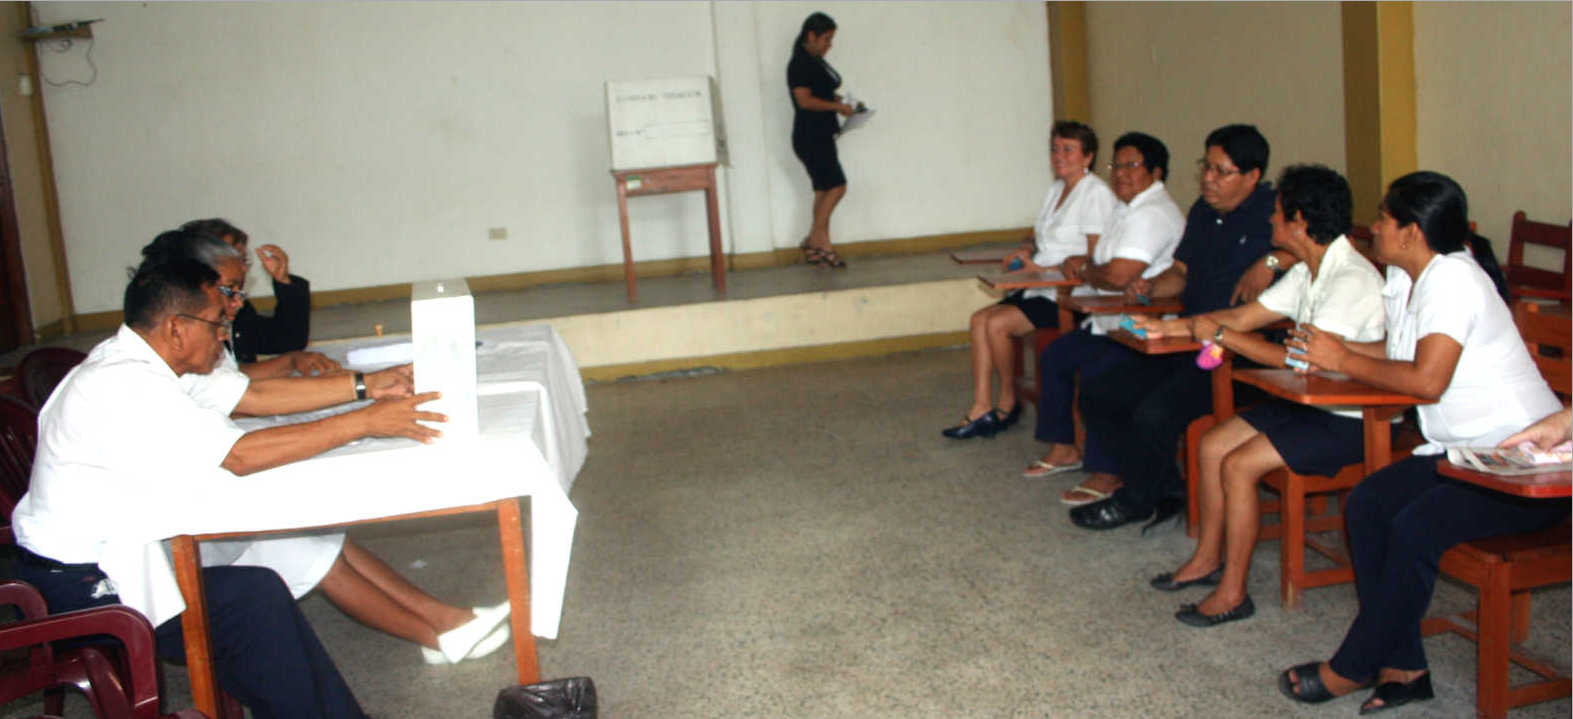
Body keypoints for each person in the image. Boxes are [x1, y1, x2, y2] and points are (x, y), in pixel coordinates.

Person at [132, 228, 512, 666]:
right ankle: (438, 631)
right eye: (229, 293)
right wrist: (364, 416)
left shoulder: (173, 345)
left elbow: (249, 395)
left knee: (313, 533)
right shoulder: (142, 373)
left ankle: (445, 623)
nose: (236, 306)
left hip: (181, 506)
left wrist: (366, 385)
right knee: (295, 542)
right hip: (159, 538)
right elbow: (239, 452)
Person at [1277, 171, 1567, 713]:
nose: (1374, 231)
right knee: (1368, 505)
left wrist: (1343, 360)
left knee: (1413, 528)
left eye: (1383, 220)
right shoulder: (1410, 276)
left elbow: (1427, 380)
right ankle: (1405, 666)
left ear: (1411, 232)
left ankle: (1354, 664)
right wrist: (1339, 349)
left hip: (1524, 464)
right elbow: (1400, 350)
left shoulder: (1454, 280)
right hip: (1467, 455)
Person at [1137, 165, 1385, 627]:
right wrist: (1171, 327)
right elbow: (1245, 316)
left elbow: (1302, 362)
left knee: (1238, 463)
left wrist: (1221, 337)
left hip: (1349, 419)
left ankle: (1233, 593)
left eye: (1276, 214)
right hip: (1307, 402)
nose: (1270, 223)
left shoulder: (1351, 279)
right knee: (1212, 444)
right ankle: (1207, 559)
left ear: (1299, 222)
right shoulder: (1311, 270)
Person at [1068, 124, 1280, 529]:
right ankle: (1163, 487)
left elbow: (1315, 249)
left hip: (1239, 353)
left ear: (1252, 176)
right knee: (1102, 388)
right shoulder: (1203, 211)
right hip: (1189, 339)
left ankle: (1136, 500)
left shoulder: (1275, 214)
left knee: (1155, 410)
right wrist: (1150, 289)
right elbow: (1180, 271)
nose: (1208, 179)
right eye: (1206, 167)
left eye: (1221, 171)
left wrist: (1273, 261)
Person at [1021, 131, 1182, 494]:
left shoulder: (1153, 214)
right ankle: (1065, 448)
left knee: (1098, 375)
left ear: (1156, 173)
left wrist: (1087, 271)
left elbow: (1118, 276)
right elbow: (1104, 263)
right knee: (1057, 356)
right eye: (1117, 165)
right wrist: (1087, 263)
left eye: (1132, 166)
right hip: (1110, 319)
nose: (1121, 173)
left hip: (1141, 326)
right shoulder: (1127, 208)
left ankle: (1108, 471)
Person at [942, 121, 1117, 440]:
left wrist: (1038, 269)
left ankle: (1007, 404)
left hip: (1069, 295)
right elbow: (1046, 239)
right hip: (1039, 285)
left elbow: (1095, 259)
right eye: (1055, 149)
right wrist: (1027, 250)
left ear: (1088, 157)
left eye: (1068, 150)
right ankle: (981, 405)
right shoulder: (1057, 188)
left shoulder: (1096, 195)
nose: (1059, 156)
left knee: (997, 324)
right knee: (979, 319)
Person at [181, 218, 312, 366]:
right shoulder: (188, 317)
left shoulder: (237, 304)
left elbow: (288, 340)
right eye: (232, 259)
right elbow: (219, 380)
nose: (242, 269)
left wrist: (284, 281)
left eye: (243, 260)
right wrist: (289, 363)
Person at [787, 12, 857, 269]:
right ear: (811, 36)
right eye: (826, 39)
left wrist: (839, 101)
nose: (829, 45)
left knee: (824, 190)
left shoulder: (813, 62)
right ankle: (818, 241)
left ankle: (815, 243)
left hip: (820, 135)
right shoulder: (799, 64)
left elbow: (819, 91)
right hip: (810, 136)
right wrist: (836, 108)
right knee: (838, 187)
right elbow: (804, 100)